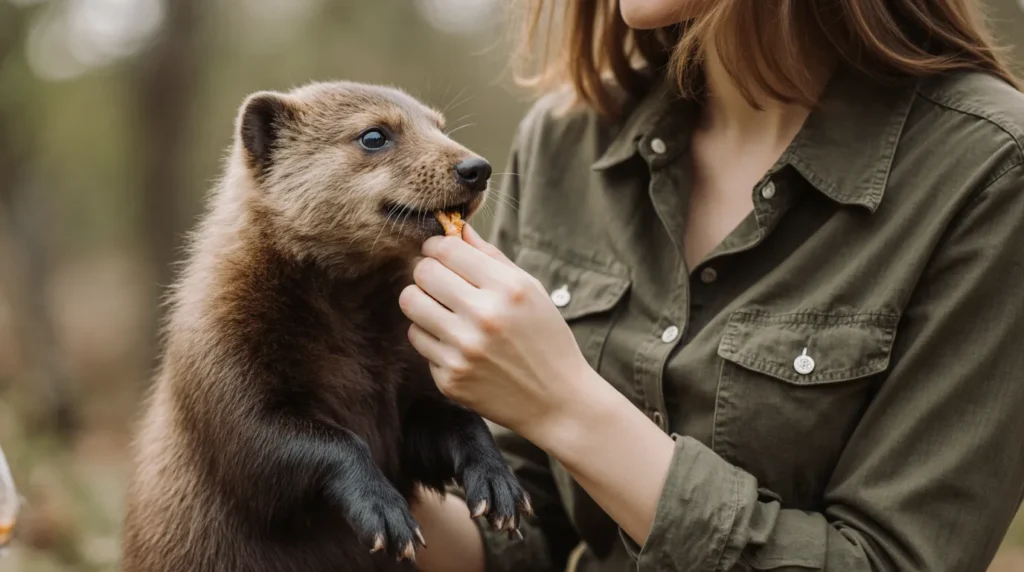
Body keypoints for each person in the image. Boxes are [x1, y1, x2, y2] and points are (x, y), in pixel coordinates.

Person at [397, 0, 1024, 570]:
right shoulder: (569, 137)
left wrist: (567, 404)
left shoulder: (991, 169)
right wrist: (350, 469)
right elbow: (521, 524)